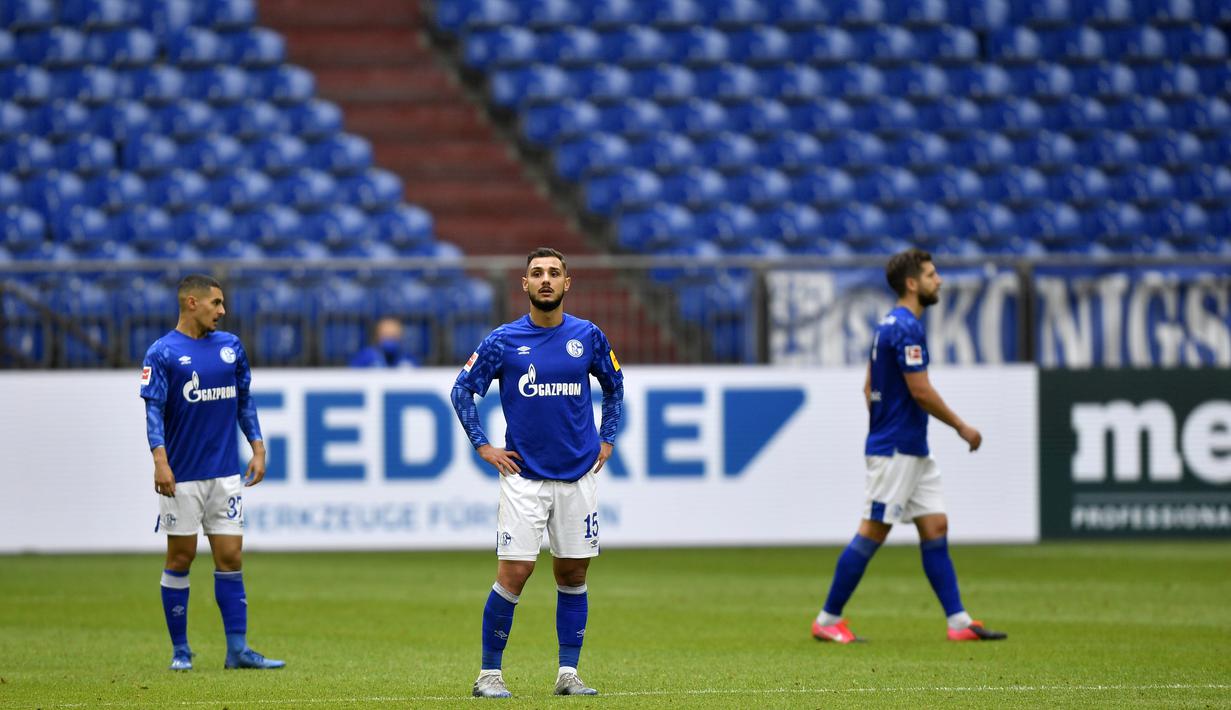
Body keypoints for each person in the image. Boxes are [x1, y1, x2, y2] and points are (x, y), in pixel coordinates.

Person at [451, 247, 624, 698]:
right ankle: (489, 675)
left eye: (553, 273)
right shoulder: (503, 340)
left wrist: (607, 437)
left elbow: (614, 385)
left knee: (573, 575)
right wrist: (483, 445)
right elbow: (462, 390)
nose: (545, 279)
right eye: (537, 273)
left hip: (578, 476)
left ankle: (568, 674)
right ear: (524, 284)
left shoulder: (588, 336)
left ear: (567, 283)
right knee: (515, 573)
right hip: (524, 477)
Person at [811, 249, 1007, 644]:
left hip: (910, 446)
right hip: (896, 449)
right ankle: (828, 619)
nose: (940, 280)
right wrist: (961, 427)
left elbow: (869, 387)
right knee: (873, 530)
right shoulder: (905, 328)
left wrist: (887, 421)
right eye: (932, 275)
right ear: (912, 283)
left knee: (935, 526)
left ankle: (958, 622)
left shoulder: (888, 325)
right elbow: (920, 391)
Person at [140, 274, 285, 671]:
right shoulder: (162, 352)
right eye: (216, 303)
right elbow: (153, 411)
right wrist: (160, 461)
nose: (222, 311)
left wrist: (257, 447)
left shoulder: (231, 346)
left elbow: (245, 400)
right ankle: (181, 650)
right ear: (192, 302)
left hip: (225, 473)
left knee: (230, 555)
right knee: (181, 557)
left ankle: (237, 650)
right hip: (182, 474)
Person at [349, 316, 418, 368]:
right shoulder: (366, 356)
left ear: (400, 336)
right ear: (377, 335)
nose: (389, 339)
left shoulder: (407, 358)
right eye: (386, 335)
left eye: (393, 336)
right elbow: (352, 375)